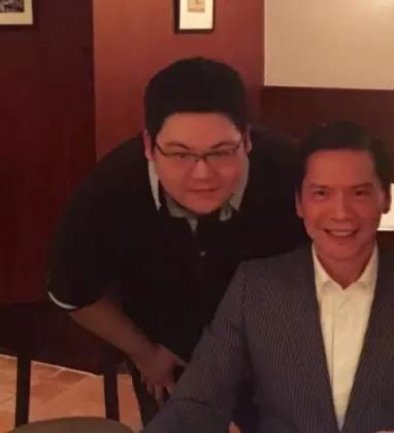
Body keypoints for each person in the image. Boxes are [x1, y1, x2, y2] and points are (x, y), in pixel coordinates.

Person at [143, 121, 394, 433]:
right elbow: (198, 402)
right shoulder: (255, 287)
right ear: (299, 203)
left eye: (359, 193)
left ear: (384, 199)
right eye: (321, 194)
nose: (341, 213)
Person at [46, 57, 307, 429]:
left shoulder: (294, 173)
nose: (202, 174)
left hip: (272, 347)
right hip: (166, 349)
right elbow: (72, 292)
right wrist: (144, 352)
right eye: (180, 153)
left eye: (221, 151)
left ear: (247, 140)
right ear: (149, 146)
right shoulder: (109, 191)